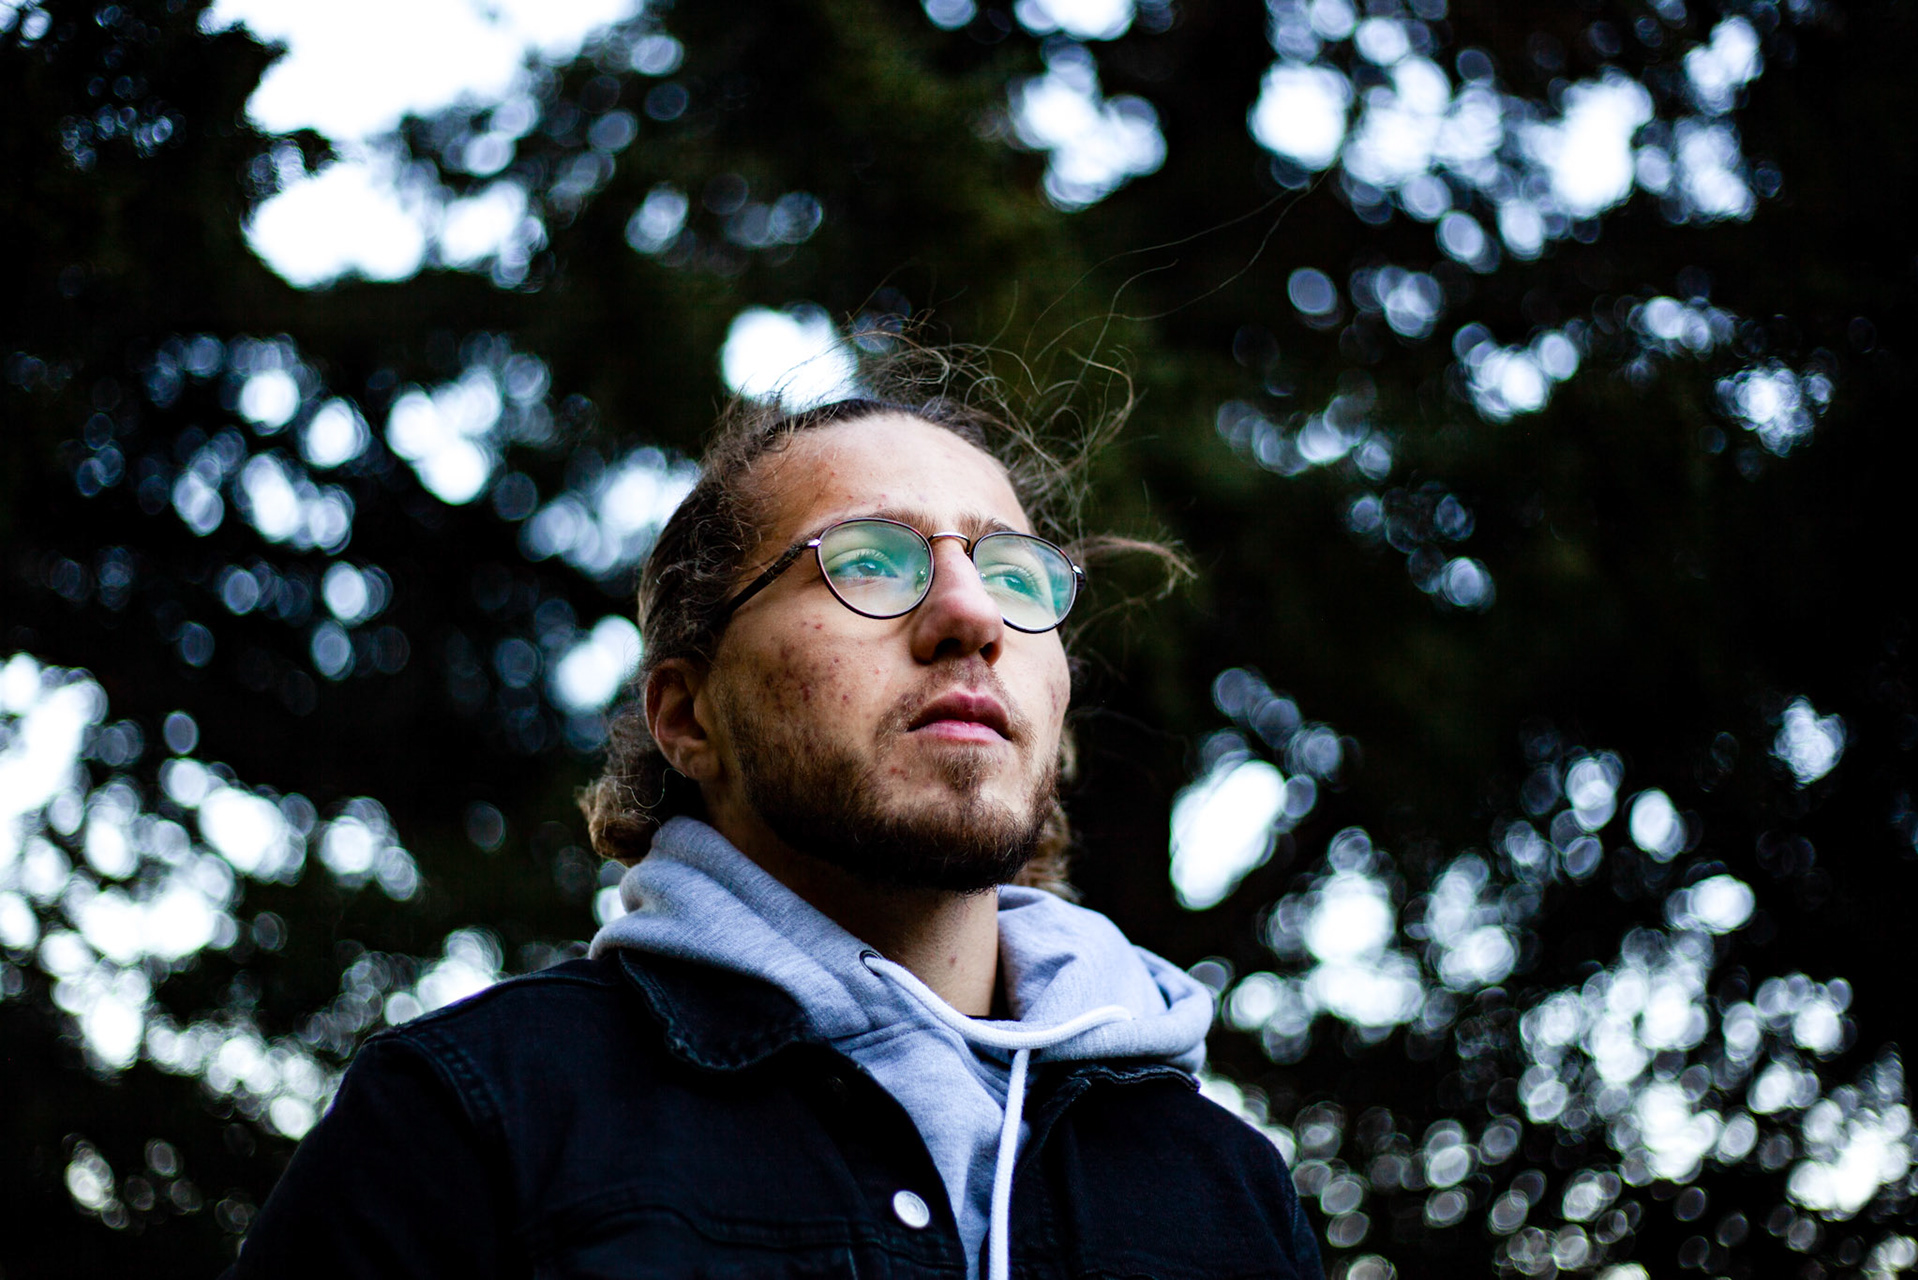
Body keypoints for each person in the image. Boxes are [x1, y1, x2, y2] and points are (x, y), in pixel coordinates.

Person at [228, 391, 1323, 1279]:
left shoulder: (1227, 1189)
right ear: (688, 716)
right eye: (870, 560)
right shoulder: (472, 1115)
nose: (972, 615)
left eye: (1013, 574)